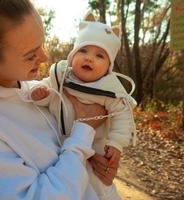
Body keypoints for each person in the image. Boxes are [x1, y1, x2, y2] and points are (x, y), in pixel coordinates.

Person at [0, 1, 119, 199]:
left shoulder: (36, 91)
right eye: (30, 55)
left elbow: (62, 154)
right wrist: (84, 130)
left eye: (41, 44)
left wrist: (93, 166)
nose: (45, 57)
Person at [30, 12, 137, 200]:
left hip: (94, 148)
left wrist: (116, 143)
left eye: (99, 55)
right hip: (59, 142)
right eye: (83, 51)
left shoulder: (109, 89)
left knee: (98, 185)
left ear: (108, 67)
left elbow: (123, 116)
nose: (89, 58)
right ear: (72, 56)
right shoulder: (61, 77)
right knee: (69, 181)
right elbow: (49, 93)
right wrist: (40, 95)